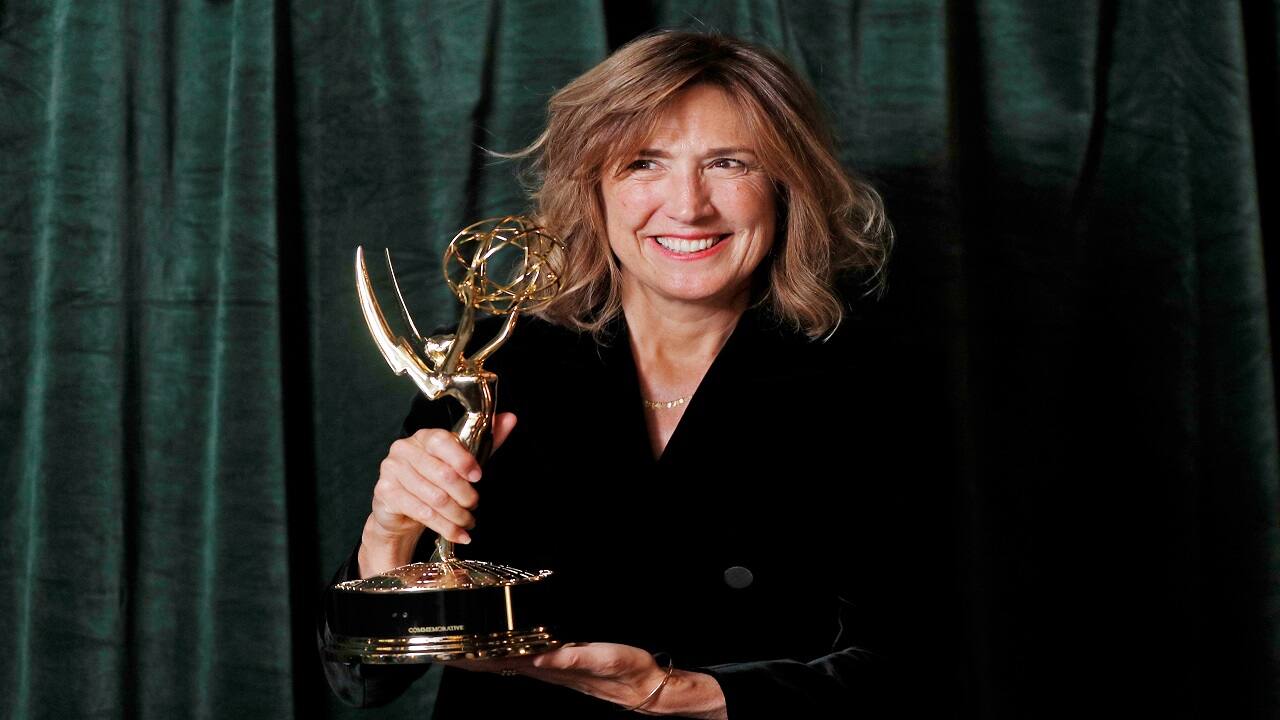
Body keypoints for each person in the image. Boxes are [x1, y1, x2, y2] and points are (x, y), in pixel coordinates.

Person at [320, 31, 940, 718]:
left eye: (729, 163)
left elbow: (923, 667)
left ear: (785, 188)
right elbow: (359, 681)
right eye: (644, 163)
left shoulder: (875, 383)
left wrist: (675, 696)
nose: (688, 206)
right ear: (594, 190)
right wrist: (388, 538)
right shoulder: (501, 368)